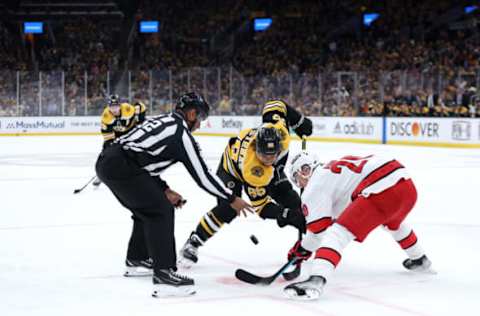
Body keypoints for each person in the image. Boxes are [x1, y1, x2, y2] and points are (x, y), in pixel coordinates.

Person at [95, 92, 252, 298]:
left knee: (147, 207)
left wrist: (163, 189)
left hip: (111, 161)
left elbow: (141, 158)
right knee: (160, 210)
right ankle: (165, 275)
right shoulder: (181, 134)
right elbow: (203, 176)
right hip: (121, 165)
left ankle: (137, 258)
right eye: (201, 118)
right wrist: (231, 198)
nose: (200, 124)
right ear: (192, 113)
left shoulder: (163, 119)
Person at [178, 99, 312, 268]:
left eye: (272, 155)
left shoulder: (281, 131)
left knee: (294, 201)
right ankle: (194, 242)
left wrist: (299, 121)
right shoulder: (254, 169)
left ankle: (306, 246)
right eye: (264, 156)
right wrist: (284, 215)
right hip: (231, 170)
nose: (268, 160)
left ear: (279, 146)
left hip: (264, 172)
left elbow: (274, 105)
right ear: (256, 149)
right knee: (229, 208)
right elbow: (262, 208)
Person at [283, 152, 434, 300]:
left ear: (304, 171)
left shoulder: (314, 187)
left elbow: (319, 233)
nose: (299, 184)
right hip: (406, 184)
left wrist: (300, 251)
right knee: (393, 222)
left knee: (336, 234)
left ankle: (316, 280)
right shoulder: (333, 169)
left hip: (381, 190)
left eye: (297, 178)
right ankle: (419, 259)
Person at [93, 96, 147, 187]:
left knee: (135, 152)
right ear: (108, 107)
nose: (114, 109)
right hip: (117, 134)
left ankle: (141, 172)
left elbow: (141, 106)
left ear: (120, 105)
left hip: (132, 132)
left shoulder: (127, 108)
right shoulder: (106, 116)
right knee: (106, 153)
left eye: (116, 106)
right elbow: (107, 134)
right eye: (111, 106)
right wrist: (110, 144)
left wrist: (140, 120)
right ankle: (101, 174)